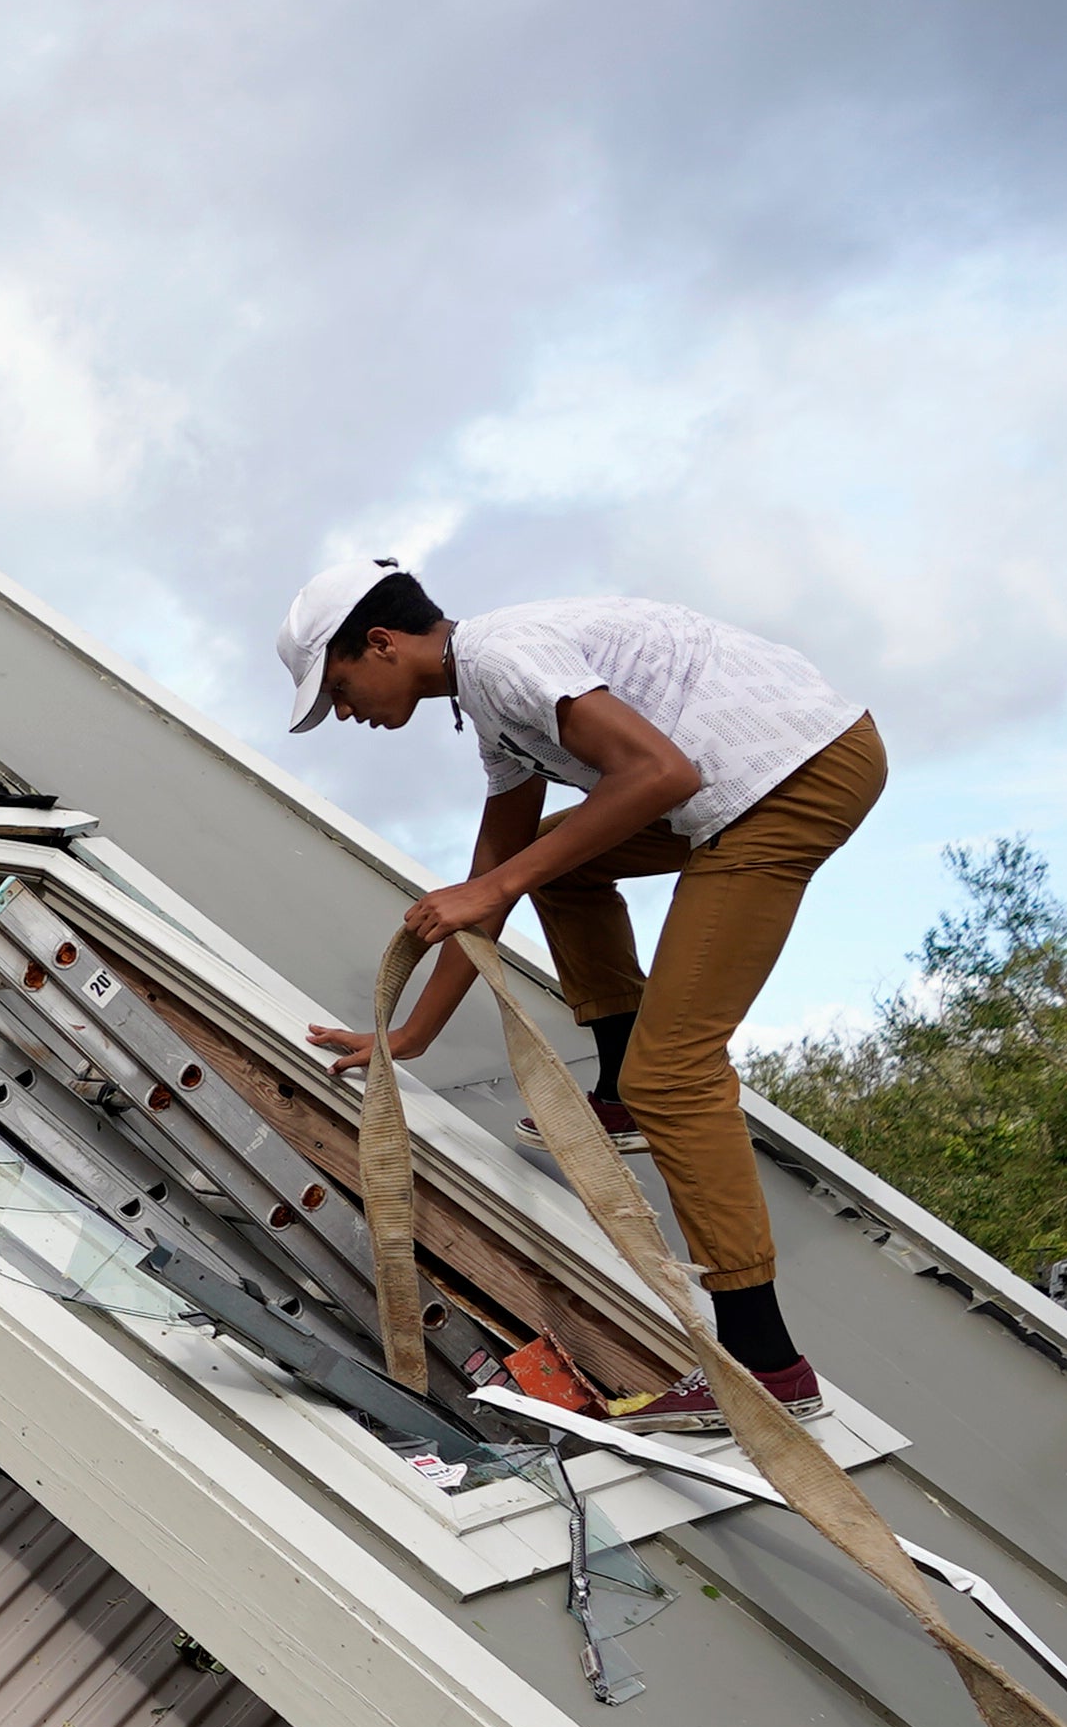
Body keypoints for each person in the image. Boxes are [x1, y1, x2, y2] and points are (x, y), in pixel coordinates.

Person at [277, 556, 884, 1429]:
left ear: (379, 644)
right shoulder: (491, 714)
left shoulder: (500, 659)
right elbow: (494, 878)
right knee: (555, 870)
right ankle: (617, 1088)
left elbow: (659, 775)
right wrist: (408, 1036)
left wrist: (491, 889)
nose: (344, 712)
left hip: (789, 777)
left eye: (337, 686)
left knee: (674, 1076)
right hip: (756, 777)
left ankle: (764, 1367)